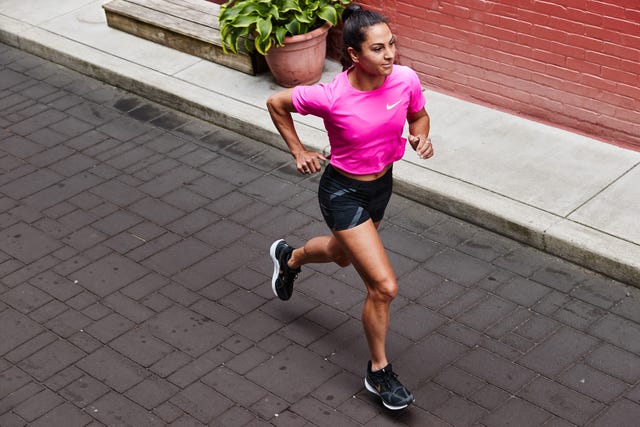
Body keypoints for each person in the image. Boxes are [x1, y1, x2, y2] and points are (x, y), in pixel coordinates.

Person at [266, 3, 433, 411]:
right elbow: (276, 103)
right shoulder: (330, 95)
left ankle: (289, 259)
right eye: (378, 49)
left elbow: (420, 115)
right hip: (343, 192)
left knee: (342, 255)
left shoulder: (405, 79)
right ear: (355, 55)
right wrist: (298, 150)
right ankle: (378, 371)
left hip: (381, 188)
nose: (390, 55)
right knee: (384, 286)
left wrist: (420, 137)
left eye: (392, 44)